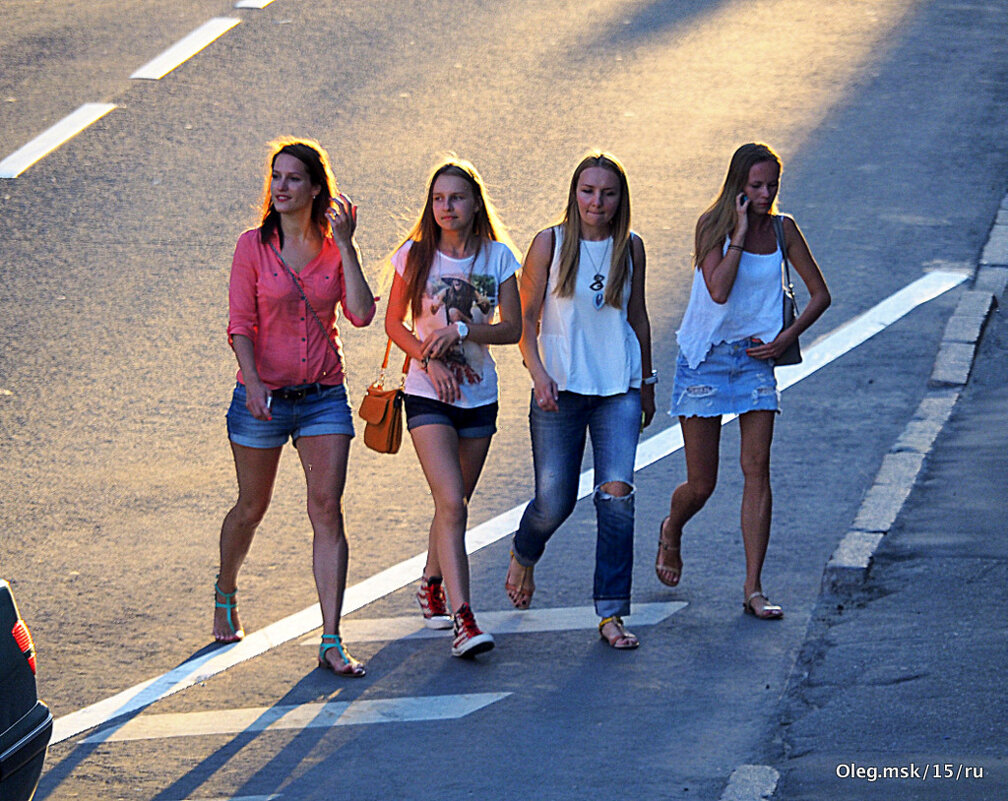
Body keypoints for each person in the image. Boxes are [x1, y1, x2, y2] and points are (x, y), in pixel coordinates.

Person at [213, 138, 376, 677]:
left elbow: (359, 315)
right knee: (251, 507)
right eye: (276, 178)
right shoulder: (251, 247)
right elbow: (240, 324)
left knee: (326, 508)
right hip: (263, 398)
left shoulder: (333, 248)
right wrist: (254, 383)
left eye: (292, 179)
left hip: (323, 396)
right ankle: (226, 585)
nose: (281, 187)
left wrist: (348, 246)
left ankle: (331, 638)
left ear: (314, 188)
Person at [657, 142, 830, 619]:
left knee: (758, 470)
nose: (765, 193)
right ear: (738, 185)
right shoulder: (712, 227)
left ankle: (753, 587)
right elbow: (717, 290)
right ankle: (672, 528)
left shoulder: (783, 229)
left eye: (772, 184)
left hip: (756, 359)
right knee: (702, 483)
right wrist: (736, 232)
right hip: (706, 358)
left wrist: (784, 339)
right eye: (756, 185)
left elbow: (820, 294)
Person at [507, 151, 655, 649]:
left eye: (608, 193)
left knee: (617, 498)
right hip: (560, 390)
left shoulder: (630, 247)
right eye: (588, 191)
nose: (597, 201)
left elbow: (638, 317)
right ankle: (525, 555)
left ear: (620, 199)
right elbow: (526, 322)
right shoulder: (549, 243)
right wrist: (538, 373)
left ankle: (612, 613)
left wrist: (647, 383)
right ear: (575, 194)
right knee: (554, 501)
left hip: (619, 389)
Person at [385, 158, 521, 658]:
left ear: (474, 203)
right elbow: (394, 325)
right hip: (427, 394)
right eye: (439, 199)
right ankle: (465, 620)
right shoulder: (415, 255)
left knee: (451, 503)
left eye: (457, 198)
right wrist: (426, 356)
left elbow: (512, 329)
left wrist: (462, 330)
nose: (447, 207)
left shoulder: (498, 257)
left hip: (479, 396)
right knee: (453, 502)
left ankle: (430, 581)